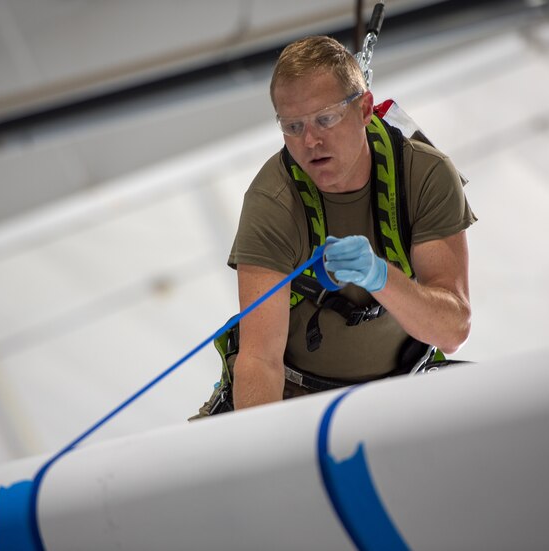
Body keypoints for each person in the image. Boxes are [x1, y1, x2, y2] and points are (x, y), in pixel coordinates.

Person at [192, 35, 476, 416]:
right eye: (292, 127)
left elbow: (453, 330)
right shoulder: (273, 202)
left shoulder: (422, 175)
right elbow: (260, 359)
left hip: (405, 389)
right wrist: (261, 458)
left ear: (364, 109)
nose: (310, 141)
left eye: (325, 119)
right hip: (297, 397)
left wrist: (380, 277)